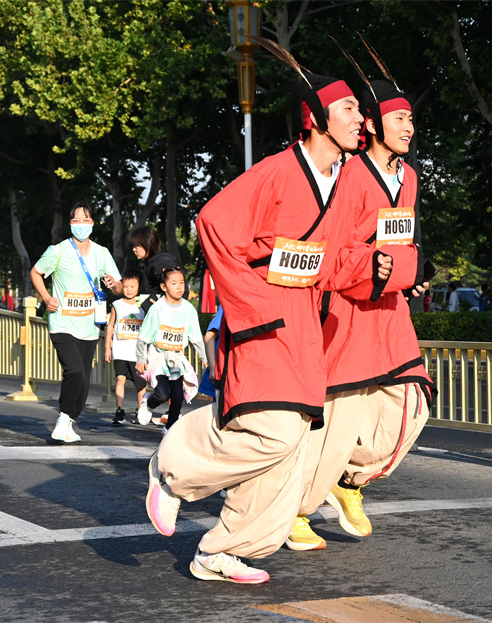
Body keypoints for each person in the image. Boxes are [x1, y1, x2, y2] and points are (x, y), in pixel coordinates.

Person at [145, 68, 388, 584]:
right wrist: (251, 301)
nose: (361, 119)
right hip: (259, 317)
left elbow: (336, 258)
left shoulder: (343, 181)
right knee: (272, 431)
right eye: (348, 109)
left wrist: (371, 269)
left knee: (293, 442)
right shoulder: (277, 171)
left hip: (301, 321)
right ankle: (173, 467)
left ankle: (224, 549)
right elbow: (213, 224)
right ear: (314, 119)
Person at [287, 80, 433, 551]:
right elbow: (335, 246)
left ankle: (350, 481)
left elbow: (400, 239)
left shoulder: (409, 177)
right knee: (340, 417)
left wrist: (413, 272)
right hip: (349, 311)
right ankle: (297, 511)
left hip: (391, 311)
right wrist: (375, 269)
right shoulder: (349, 176)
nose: (408, 127)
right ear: (371, 125)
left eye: (411, 118)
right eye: (399, 118)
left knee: (411, 406)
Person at [30, 201, 123, 443]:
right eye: (75, 220)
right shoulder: (58, 250)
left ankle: (69, 420)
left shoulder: (102, 253)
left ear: (93, 223)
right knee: (75, 371)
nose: (81, 225)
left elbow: (121, 286)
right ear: (70, 224)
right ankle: (63, 418)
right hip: (61, 322)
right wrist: (47, 297)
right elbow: (36, 272)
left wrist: (114, 284)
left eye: (86, 220)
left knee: (83, 379)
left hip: (89, 326)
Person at [135, 267, 207, 430]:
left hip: (176, 358)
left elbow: (196, 338)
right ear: (163, 287)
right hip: (158, 357)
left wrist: (205, 358)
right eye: (174, 283)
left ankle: (170, 427)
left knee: (177, 396)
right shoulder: (157, 309)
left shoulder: (188, 309)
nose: (179, 287)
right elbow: (143, 337)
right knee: (162, 394)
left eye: (181, 283)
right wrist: (141, 359)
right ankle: (148, 402)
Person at [104, 268, 147, 426]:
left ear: (139, 286)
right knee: (120, 379)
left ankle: (141, 411)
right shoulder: (116, 304)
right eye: (126, 286)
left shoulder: (144, 305)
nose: (129, 290)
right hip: (120, 351)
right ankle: (120, 410)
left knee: (140, 384)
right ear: (121, 286)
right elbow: (110, 326)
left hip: (138, 353)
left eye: (132, 286)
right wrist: (107, 348)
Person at [129, 226, 180, 312]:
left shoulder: (163, 263)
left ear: (147, 244)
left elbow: (181, 291)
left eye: (136, 246)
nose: (134, 250)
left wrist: (164, 306)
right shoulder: (150, 263)